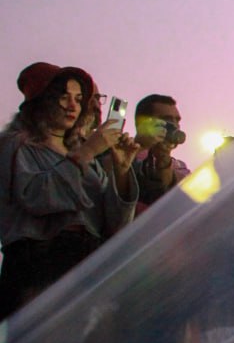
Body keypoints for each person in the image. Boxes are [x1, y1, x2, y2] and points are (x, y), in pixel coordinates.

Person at [0, 63, 140, 321]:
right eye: (63, 97)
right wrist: (87, 152)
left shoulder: (81, 152)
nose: (72, 106)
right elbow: (36, 197)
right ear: (41, 99)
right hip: (38, 270)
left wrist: (121, 171)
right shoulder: (17, 145)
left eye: (78, 98)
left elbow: (115, 224)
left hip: (87, 270)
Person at [131, 94, 190, 210]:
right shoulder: (125, 157)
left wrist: (164, 159)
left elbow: (188, 193)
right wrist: (138, 146)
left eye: (177, 120)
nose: (175, 125)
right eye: (167, 120)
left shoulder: (180, 166)